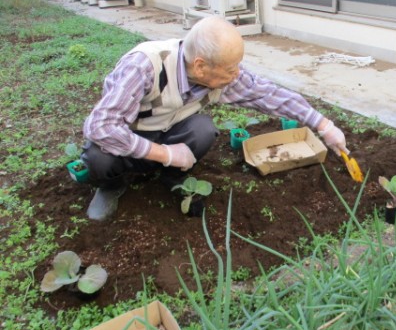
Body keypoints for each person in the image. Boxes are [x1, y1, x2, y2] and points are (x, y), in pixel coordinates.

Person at [81, 15, 349, 221]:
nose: (237, 74)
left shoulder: (222, 76)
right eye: (231, 68)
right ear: (200, 66)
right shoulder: (144, 66)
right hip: (131, 139)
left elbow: (270, 94)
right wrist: (165, 153)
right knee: (99, 158)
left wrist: (324, 125)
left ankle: (172, 177)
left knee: (203, 129)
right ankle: (111, 187)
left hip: (168, 132)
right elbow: (101, 126)